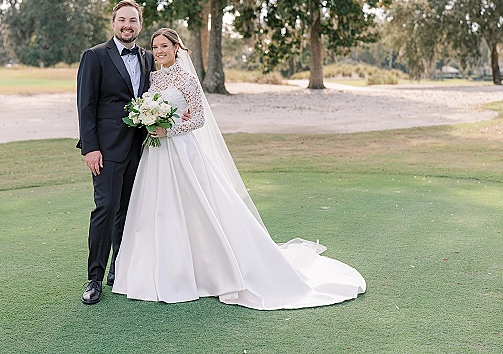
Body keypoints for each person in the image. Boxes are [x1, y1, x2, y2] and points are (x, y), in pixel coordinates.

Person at [112, 28, 366, 310]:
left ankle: (207, 270)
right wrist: (148, 121)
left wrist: (169, 129)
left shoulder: (187, 79)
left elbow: (197, 119)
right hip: (155, 154)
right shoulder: (154, 77)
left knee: (196, 206)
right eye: (155, 47)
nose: (159, 51)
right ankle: (160, 270)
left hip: (182, 150)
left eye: (164, 46)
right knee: (157, 208)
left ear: (176, 48)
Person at [76, 0, 157, 305]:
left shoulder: (148, 58)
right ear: (113, 23)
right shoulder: (94, 56)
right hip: (106, 150)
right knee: (105, 209)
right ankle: (94, 278)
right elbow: (86, 106)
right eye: (122, 20)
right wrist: (91, 147)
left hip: (141, 149)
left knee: (128, 210)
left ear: (140, 24)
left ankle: (118, 269)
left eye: (133, 20)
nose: (128, 25)